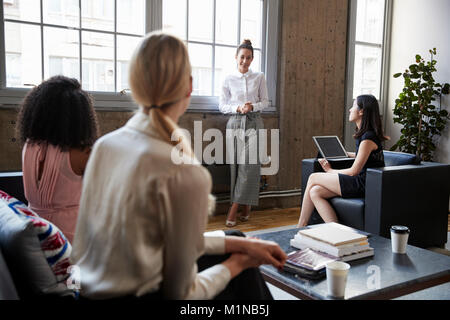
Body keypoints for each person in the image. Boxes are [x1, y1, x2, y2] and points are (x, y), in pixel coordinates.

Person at [70, 32, 286, 300]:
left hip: (83, 293)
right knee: (245, 277)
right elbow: (183, 296)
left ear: (135, 84)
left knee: (235, 235)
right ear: (189, 86)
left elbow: (86, 251)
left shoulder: (104, 147)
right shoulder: (184, 173)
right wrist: (239, 263)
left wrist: (240, 243)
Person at [16, 76, 99, 243]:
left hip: (37, 235)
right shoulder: (82, 153)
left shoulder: (29, 146)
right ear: (80, 117)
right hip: (71, 241)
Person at [297, 94, 388, 227]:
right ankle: (338, 231)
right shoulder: (365, 135)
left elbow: (353, 171)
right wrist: (344, 153)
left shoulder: (368, 138)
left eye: (353, 106)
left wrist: (330, 171)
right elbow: (362, 158)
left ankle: (300, 226)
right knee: (315, 191)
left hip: (362, 184)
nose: (350, 110)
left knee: (313, 177)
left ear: (362, 111)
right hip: (362, 181)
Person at [219, 39, 269, 227]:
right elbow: (222, 105)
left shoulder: (259, 77)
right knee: (237, 166)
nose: (245, 61)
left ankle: (234, 207)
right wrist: (238, 108)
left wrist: (252, 106)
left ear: (252, 59)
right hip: (234, 122)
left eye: (248, 58)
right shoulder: (227, 78)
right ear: (236, 57)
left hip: (254, 122)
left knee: (249, 166)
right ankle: (246, 206)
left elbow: (265, 101)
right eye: (242, 57)